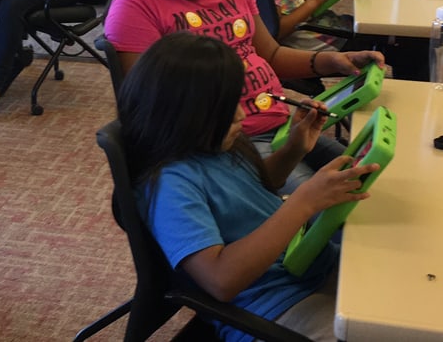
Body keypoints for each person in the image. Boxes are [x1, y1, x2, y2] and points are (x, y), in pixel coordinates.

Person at [104, 0, 384, 194]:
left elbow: (272, 55)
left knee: (372, 180)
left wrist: (330, 63)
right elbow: (147, 110)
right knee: (334, 207)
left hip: (279, 125)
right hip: (227, 146)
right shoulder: (135, 8)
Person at [119, 32, 378, 342]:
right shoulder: (170, 187)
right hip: (277, 308)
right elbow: (221, 281)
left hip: (314, 268)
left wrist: (293, 150)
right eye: (228, 109)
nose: (241, 115)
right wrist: (303, 203)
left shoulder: (216, 144)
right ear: (185, 115)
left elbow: (251, 190)